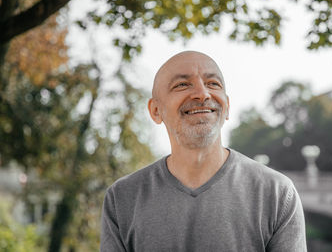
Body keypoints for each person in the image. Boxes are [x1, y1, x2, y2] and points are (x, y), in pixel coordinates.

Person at [100, 51, 307, 252]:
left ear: (227, 107)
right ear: (155, 110)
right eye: (182, 84)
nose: (203, 94)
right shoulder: (122, 198)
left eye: (213, 84)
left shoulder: (277, 194)